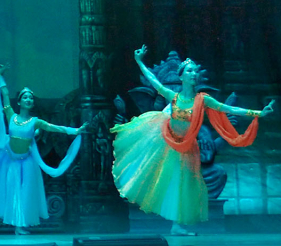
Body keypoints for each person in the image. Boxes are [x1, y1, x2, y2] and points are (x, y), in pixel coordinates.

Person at [112, 45, 274, 235]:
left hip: (187, 147)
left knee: (183, 186)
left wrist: (259, 113)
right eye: (190, 71)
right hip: (168, 143)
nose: (194, 74)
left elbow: (229, 109)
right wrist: (139, 61)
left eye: (196, 71)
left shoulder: (202, 99)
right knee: (163, 180)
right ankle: (166, 222)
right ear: (181, 76)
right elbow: (153, 80)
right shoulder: (173, 97)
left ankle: (177, 226)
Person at [0, 64, 87, 234]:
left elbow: (55, 127)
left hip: (26, 161)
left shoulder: (35, 121)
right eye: (25, 97)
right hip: (9, 159)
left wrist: (75, 131)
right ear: (19, 101)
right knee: (11, 191)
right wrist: (0, 77)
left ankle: (20, 224)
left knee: (24, 192)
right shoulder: (11, 116)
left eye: (31, 98)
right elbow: (4, 95)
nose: (28, 100)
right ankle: (14, 223)